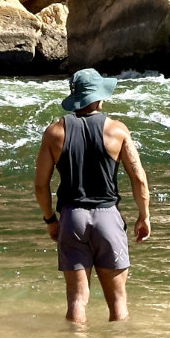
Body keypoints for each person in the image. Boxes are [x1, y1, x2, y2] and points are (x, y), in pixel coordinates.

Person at [34, 67, 151, 324]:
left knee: (77, 300)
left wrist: (50, 219)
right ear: (99, 98)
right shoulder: (117, 131)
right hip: (108, 218)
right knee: (118, 301)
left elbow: (41, 185)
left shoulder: (54, 133)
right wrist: (144, 216)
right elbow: (139, 178)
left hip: (72, 218)